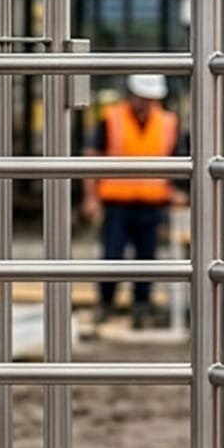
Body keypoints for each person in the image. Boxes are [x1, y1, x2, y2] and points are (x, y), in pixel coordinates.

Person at [82, 74, 187, 328]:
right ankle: (106, 303)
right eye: (144, 98)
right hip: (117, 201)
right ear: (132, 95)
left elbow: (179, 162)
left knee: (147, 258)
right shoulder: (112, 118)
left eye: (152, 99)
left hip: (152, 202)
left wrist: (175, 191)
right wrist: (91, 197)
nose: (148, 103)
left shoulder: (168, 122)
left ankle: (142, 306)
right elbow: (92, 157)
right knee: (112, 255)